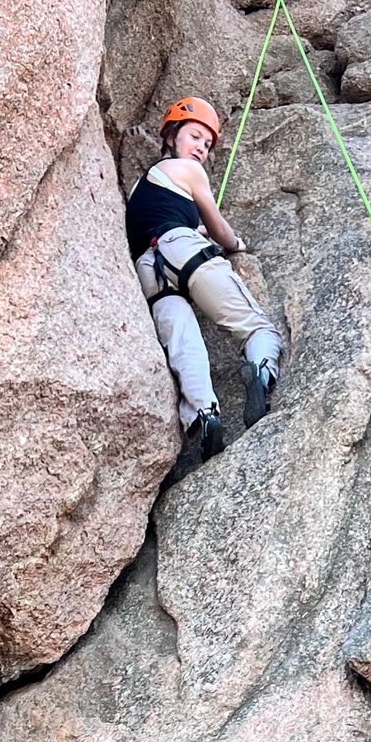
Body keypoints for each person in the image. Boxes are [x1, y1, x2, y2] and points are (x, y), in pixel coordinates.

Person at [125, 94, 284, 483]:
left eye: (207, 144)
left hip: (150, 270)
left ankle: (204, 413)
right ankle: (262, 372)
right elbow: (219, 229)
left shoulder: (138, 188)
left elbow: (159, 221)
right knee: (258, 328)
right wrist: (236, 245)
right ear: (172, 137)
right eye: (195, 136)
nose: (201, 148)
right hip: (185, 249)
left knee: (184, 343)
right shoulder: (188, 172)